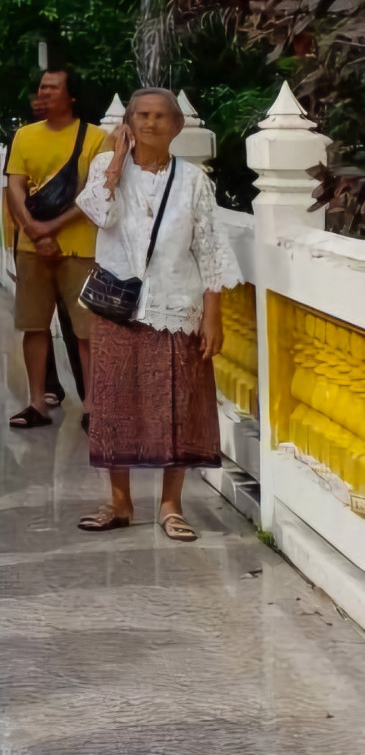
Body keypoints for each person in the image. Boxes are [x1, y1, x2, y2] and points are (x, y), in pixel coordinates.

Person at [76, 89, 240, 542]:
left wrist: (214, 316)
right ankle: (120, 501)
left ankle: (171, 505)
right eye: (142, 115)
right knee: (114, 404)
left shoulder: (193, 181)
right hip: (119, 308)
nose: (151, 123)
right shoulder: (105, 171)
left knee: (176, 406)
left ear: (177, 126)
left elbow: (209, 251)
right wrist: (114, 161)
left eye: (161, 116)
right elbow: (96, 213)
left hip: (176, 305)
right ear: (128, 122)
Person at [4, 67, 103, 430]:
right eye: (41, 86)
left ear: (71, 96)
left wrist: (50, 228)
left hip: (80, 247)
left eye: (53, 88)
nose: (44, 93)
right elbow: (15, 187)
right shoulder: (24, 136)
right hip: (33, 248)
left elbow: (95, 194)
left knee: (86, 331)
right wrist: (33, 229)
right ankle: (36, 403)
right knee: (34, 326)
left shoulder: (96, 138)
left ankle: (94, 406)